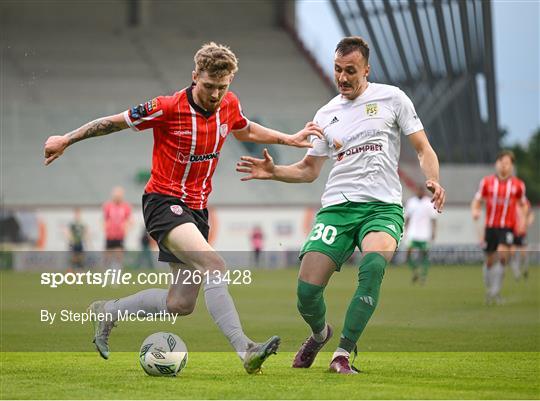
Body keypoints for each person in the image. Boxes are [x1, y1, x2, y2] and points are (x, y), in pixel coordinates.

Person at [43, 42, 323, 374]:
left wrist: (289, 139)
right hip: (163, 203)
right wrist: (67, 139)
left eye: (222, 87)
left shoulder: (228, 104)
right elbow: (113, 122)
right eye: (208, 86)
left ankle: (109, 311)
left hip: (197, 211)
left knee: (180, 303)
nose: (215, 94)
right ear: (194, 77)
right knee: (215, 265)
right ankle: (246, 349)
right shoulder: (167, 107)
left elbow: (244, 128)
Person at [236, 36, 445, 374]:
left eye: (350, 71)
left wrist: (432, 179)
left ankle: (343, 354)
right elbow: (308, 170)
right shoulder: (326, 113)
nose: (343, 77)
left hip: (381, 207)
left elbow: (423, 148)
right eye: (337, 70)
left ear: (366, 70)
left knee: (373, 268)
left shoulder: (392, 98)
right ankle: (320, 335)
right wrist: (273, 171)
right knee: (306, 294)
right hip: (337, 207)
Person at [471, 150, 528, 305]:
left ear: (511, 166)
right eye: (502, 163)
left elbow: (523, 205)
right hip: (490, 227)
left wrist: (523, 219)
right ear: (497, 164)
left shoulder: (518, 185)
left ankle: (495, 292)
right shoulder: (487, 182)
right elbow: (477, 200)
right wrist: (475, 210)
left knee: (503, 255)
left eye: (507, 164)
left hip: (507, 227)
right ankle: (490, 287)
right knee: (490, 260)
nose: (504, 166)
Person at [404, 185, 438, 284]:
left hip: (424, 234)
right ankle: (415, 272)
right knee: (408, 255)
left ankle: (423, 276)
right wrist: (405, 230)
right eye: (418, 190)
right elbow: (407, 218)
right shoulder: (411, 202)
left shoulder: (429, 202)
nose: (419, 192)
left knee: (424, 256)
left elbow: (433, 219)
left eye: (421, 190)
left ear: (423, 192)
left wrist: (434, 232)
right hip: (412, 233)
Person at [103, 186, 132, 270]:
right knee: (108, 254)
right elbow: (105, 219)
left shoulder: (126, 206)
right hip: (110, 235)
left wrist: (126, 228)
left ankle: (117, 272)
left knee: (119, 254)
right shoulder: (108, 206)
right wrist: (105, 227)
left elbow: (129, 220)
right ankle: (107, 272)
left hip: (120, 235)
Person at [511, 197, 534, 280]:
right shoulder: (511, 200)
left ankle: (525, 269)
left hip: (522, 232)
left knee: (523, 253)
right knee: (512, 252)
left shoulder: (525, 202)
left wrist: (528, 223)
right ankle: (516, 272)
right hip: (511, 231)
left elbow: (531, 214)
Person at [65, 207, 87, 272]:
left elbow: (85, 232)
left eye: (78, 214)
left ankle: (80, 269)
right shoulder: (72, 224)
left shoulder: (82, 224)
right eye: (76, 214)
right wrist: (71, 239)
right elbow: (68, 232)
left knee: (80, 256)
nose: (77, 215)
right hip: (74, 242)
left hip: (80, 242)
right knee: (74, 256)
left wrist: (85, 238)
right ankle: (71, 269)